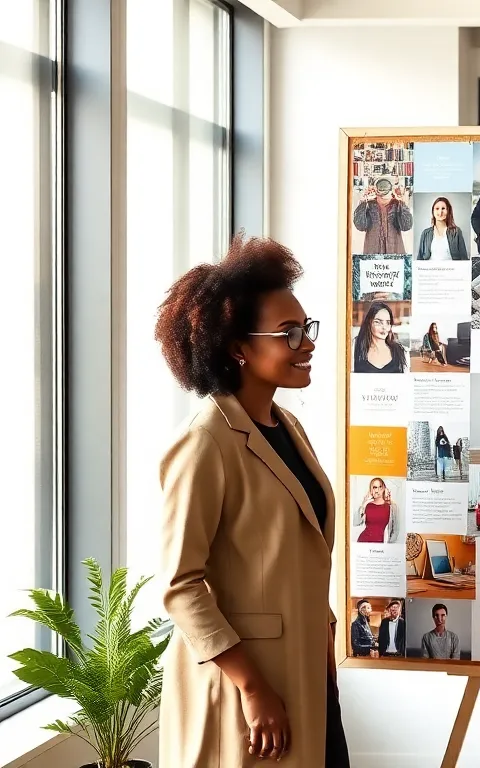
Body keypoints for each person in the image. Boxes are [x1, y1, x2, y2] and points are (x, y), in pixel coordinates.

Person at [154, 235, 350, 766]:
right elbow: (180, 586)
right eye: (288, 334)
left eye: (306, 328)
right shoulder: (204, 442)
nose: (307, 343)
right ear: (238, 347)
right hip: (245, 688)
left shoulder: (289, 427)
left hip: (306, 672)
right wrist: (252, 687)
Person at [353, 175, 412, 254]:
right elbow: (360, 226)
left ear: (392, 189)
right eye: (381, 187)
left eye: (386, 187)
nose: (384, 190)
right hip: (373, 251)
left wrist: (403, 202)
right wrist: (363, 201)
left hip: (395, 251)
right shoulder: (369, 205)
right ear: (375, 189)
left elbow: (406, 226)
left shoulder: (398, 204)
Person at [416, 196, 468, 260]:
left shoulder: (456, 232)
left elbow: (464, 258)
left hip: (452, 269)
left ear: (448, 211)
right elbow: (420, 258)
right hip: (430, 269)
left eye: (443, 208)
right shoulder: (425, 233)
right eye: (437, 208)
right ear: (433, 211)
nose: (440, 212)